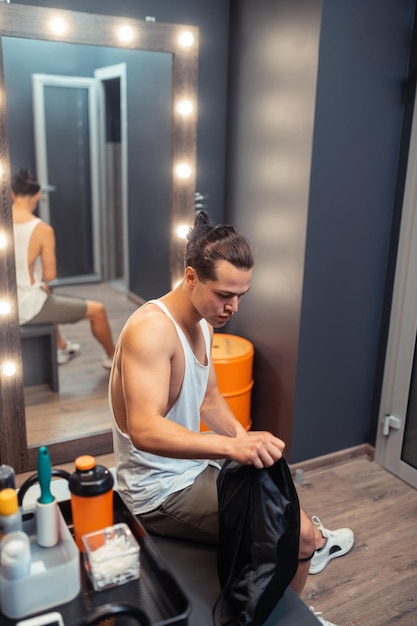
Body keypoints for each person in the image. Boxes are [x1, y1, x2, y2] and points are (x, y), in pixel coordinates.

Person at [109, 210, 353, 626]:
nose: (233, 307)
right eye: (224, 294)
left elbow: (210, 401)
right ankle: (294, 603)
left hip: (193, 472)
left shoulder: (203, 323)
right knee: (295, 538)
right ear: (190, 277)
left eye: (241, 295)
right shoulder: (151, 330)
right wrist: (232, 447)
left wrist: (245, 444)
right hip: (159, 493)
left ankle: (302, 556)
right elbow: (144, 429)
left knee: (277, 487)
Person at [12, 168, 115, 369]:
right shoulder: (42, 230)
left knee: (45, 293)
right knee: (98, 311)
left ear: (11, 194)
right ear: (38, 194)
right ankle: (114, 358)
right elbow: (50, 275)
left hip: (8, 303)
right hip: (25, 306)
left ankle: (61, 347)